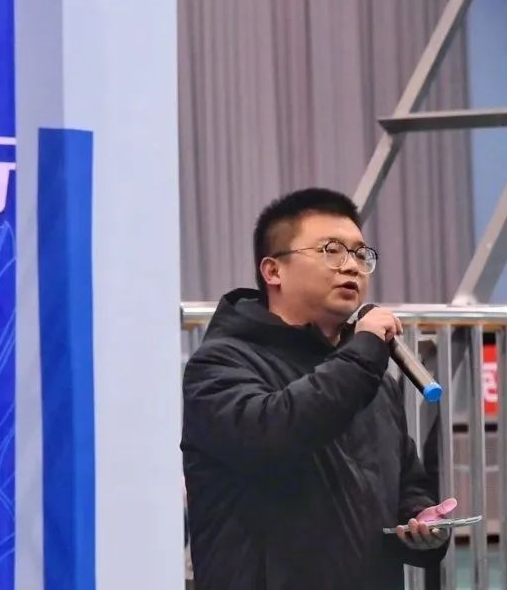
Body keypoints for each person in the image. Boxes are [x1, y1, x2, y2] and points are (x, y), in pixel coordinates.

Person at [181, 188, 456, 590]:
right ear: (273, 271)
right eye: (332, 251)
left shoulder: (371, 377)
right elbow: (274, 434)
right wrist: (364, 352)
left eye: (360, 254)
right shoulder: (220, 364)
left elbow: (406, 485)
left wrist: (422, 524)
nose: (352, 267)